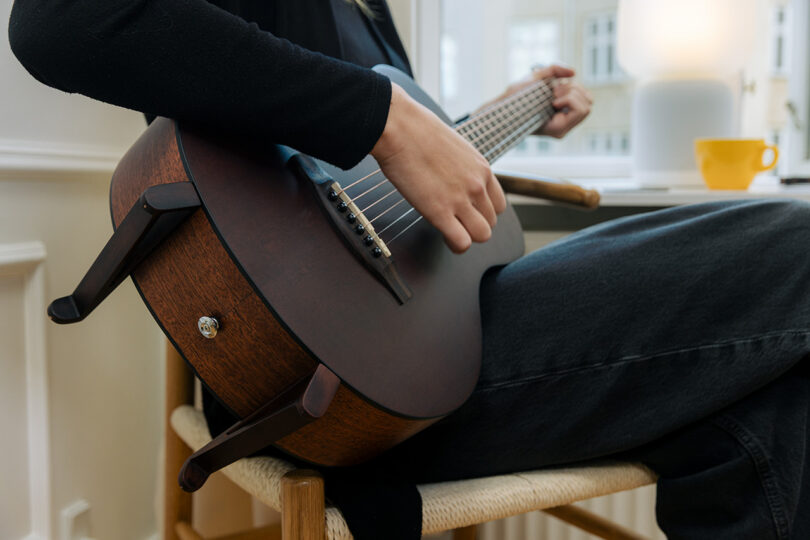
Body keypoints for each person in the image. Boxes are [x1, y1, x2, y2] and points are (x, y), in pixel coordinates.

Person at [8, 1, 809, 538]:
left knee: (764, 390)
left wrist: (499, 114)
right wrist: (384, 118)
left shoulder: (370, 12)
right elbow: (64, 22)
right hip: (330, 365)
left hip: (434, 315)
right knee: (792, 249)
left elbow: (367, 168)